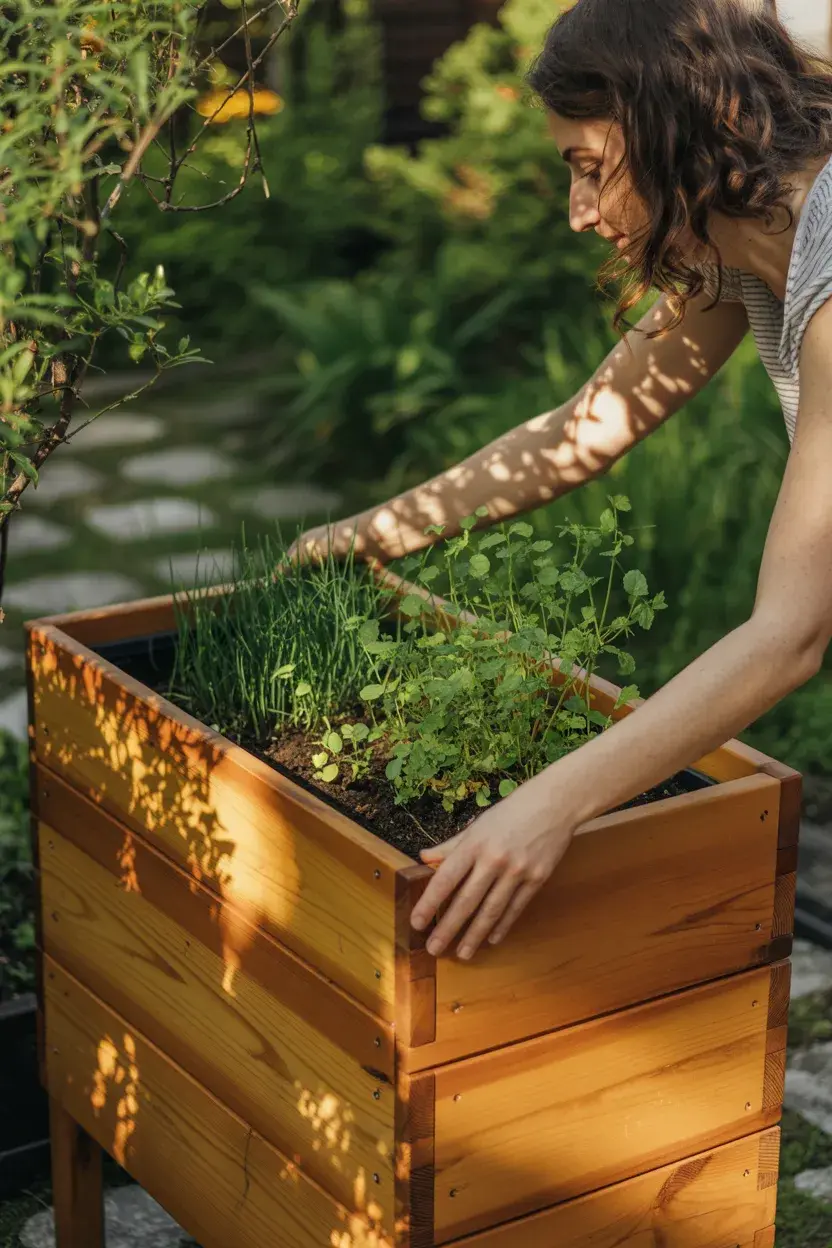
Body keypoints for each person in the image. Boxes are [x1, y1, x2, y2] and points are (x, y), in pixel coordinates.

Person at [289, 0, 832, 964]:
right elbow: (579, 432)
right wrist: (360, 535)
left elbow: (788, 635)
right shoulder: (742, 248)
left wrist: (547, 806)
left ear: (682, 130)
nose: (579, 214)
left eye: (589, 169)